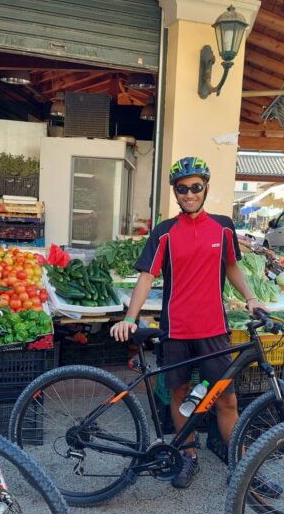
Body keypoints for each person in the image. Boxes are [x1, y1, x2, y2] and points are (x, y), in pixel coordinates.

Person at [111, 156, 268, 489]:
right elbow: (146, 276)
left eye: (196, 187)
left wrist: (251, 297)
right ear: (175, 192)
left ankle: (242, 468)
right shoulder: (165, 232)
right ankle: (188, 457)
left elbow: (231, 267)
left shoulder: (224, 226)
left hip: (214, 329)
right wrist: (129, 317)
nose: (190, 194)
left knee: (226, 399)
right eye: (182, 189)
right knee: (180, 394)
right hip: (176, 330)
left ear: (206, 188)